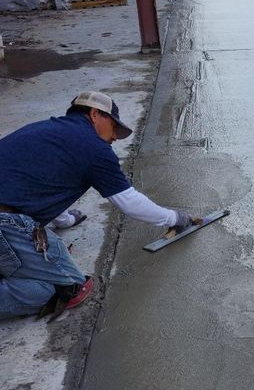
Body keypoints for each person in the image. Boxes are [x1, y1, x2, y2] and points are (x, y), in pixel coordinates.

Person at [0, 91, 196, 320]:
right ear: (94, 114)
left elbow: (39, 183)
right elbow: (130, 202)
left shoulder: (46, 132)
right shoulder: (94, 149)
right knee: (67, 287)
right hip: (5, 224)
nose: (115, 137)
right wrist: (175, 218)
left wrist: (66, 220)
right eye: (114, 127)